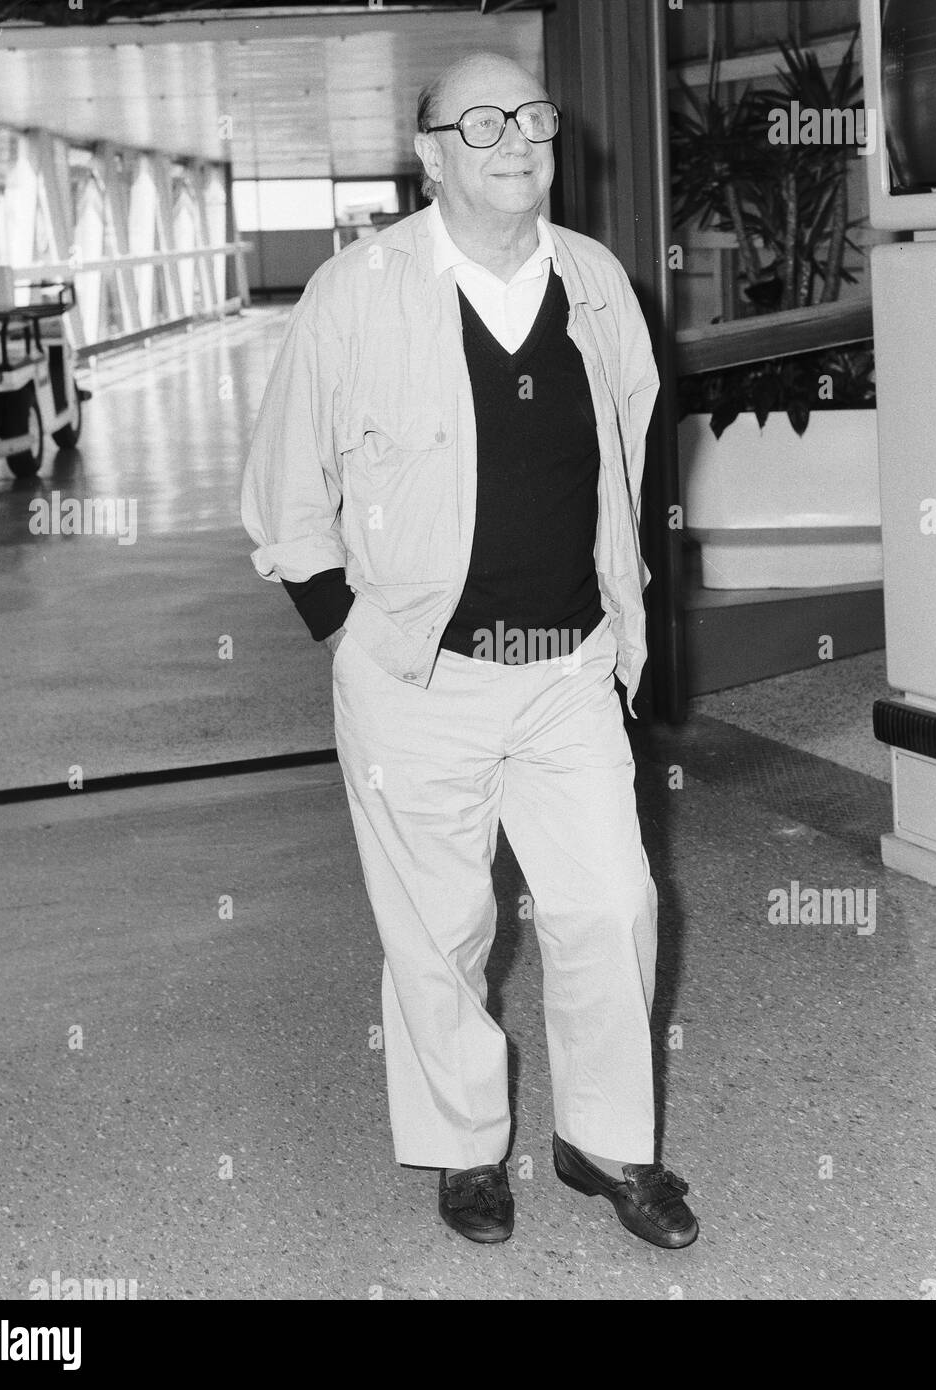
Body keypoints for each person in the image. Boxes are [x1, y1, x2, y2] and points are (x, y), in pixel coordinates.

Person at [241, 50, 697, 1250]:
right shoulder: (356, 292)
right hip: (418, 676)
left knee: (611, 904)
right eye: (480, 121)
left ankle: (605, 1140)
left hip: (569, 671)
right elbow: (285, 486)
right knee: (441, 934)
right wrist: (348, 631)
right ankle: (461, 1149)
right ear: (431, 153)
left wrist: (642, 623)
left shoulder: (596, 282)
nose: (515, 139)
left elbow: (636, 465)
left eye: (534, 117)